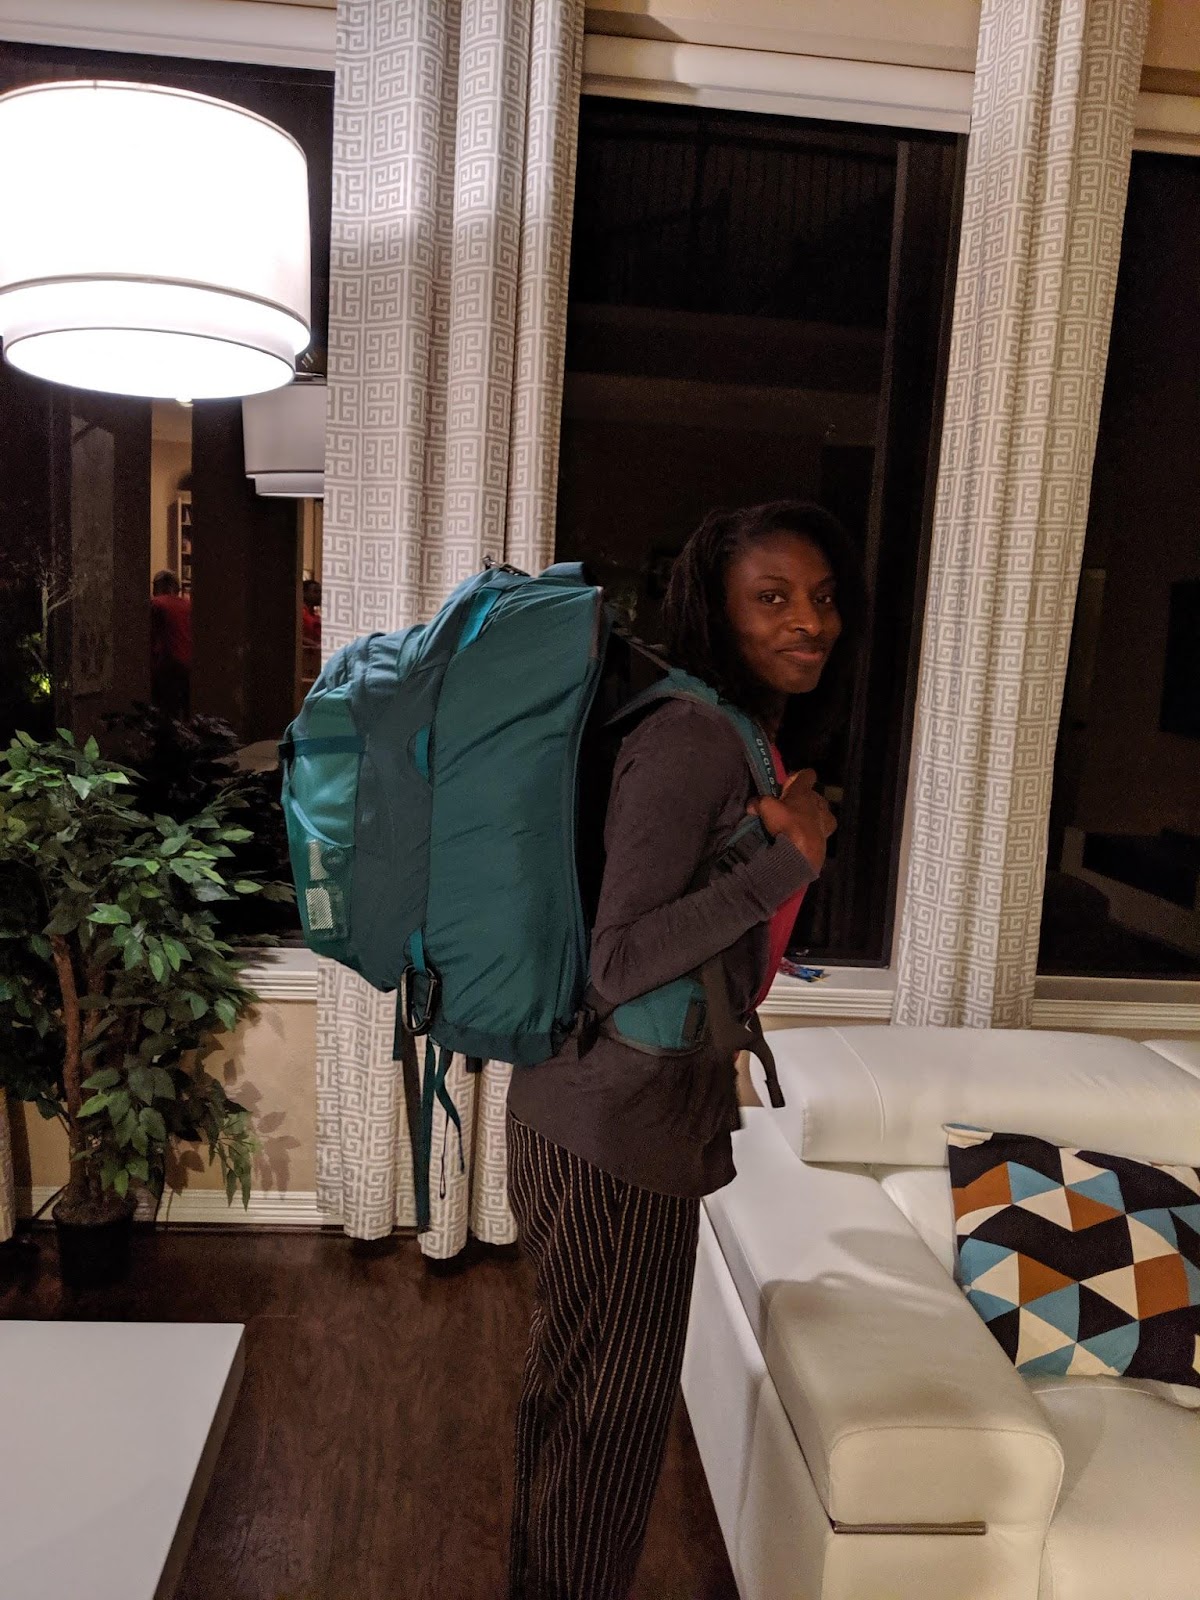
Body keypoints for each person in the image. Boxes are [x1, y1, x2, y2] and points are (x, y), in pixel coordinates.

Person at [505, 500, 866, 1600]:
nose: (809, 622)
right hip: (615, 1128)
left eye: (822, 598)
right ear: (714, 608)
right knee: (606, 1426)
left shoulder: (721, 728)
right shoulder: (688, 740)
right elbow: (619, 959)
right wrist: (788, 862)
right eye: (773, 598)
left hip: (607, 1111)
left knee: (576, 1405)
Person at [149, 568, 192, 718]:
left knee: (163, 714)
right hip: (189, 666)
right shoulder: (189, 605)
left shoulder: (155, 604)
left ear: (157, 586)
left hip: (165, 666)